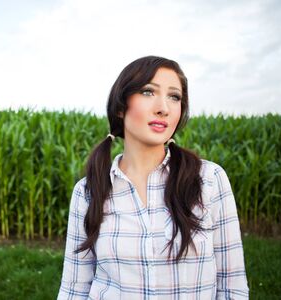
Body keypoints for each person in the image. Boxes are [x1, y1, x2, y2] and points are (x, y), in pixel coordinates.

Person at [57, 55, 249, 299]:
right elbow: (74, 289)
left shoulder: (208, 180)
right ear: (119, 106)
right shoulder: (88, 191)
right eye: (149, 92)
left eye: (174, 97)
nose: (164, 108)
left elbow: (232, 287)